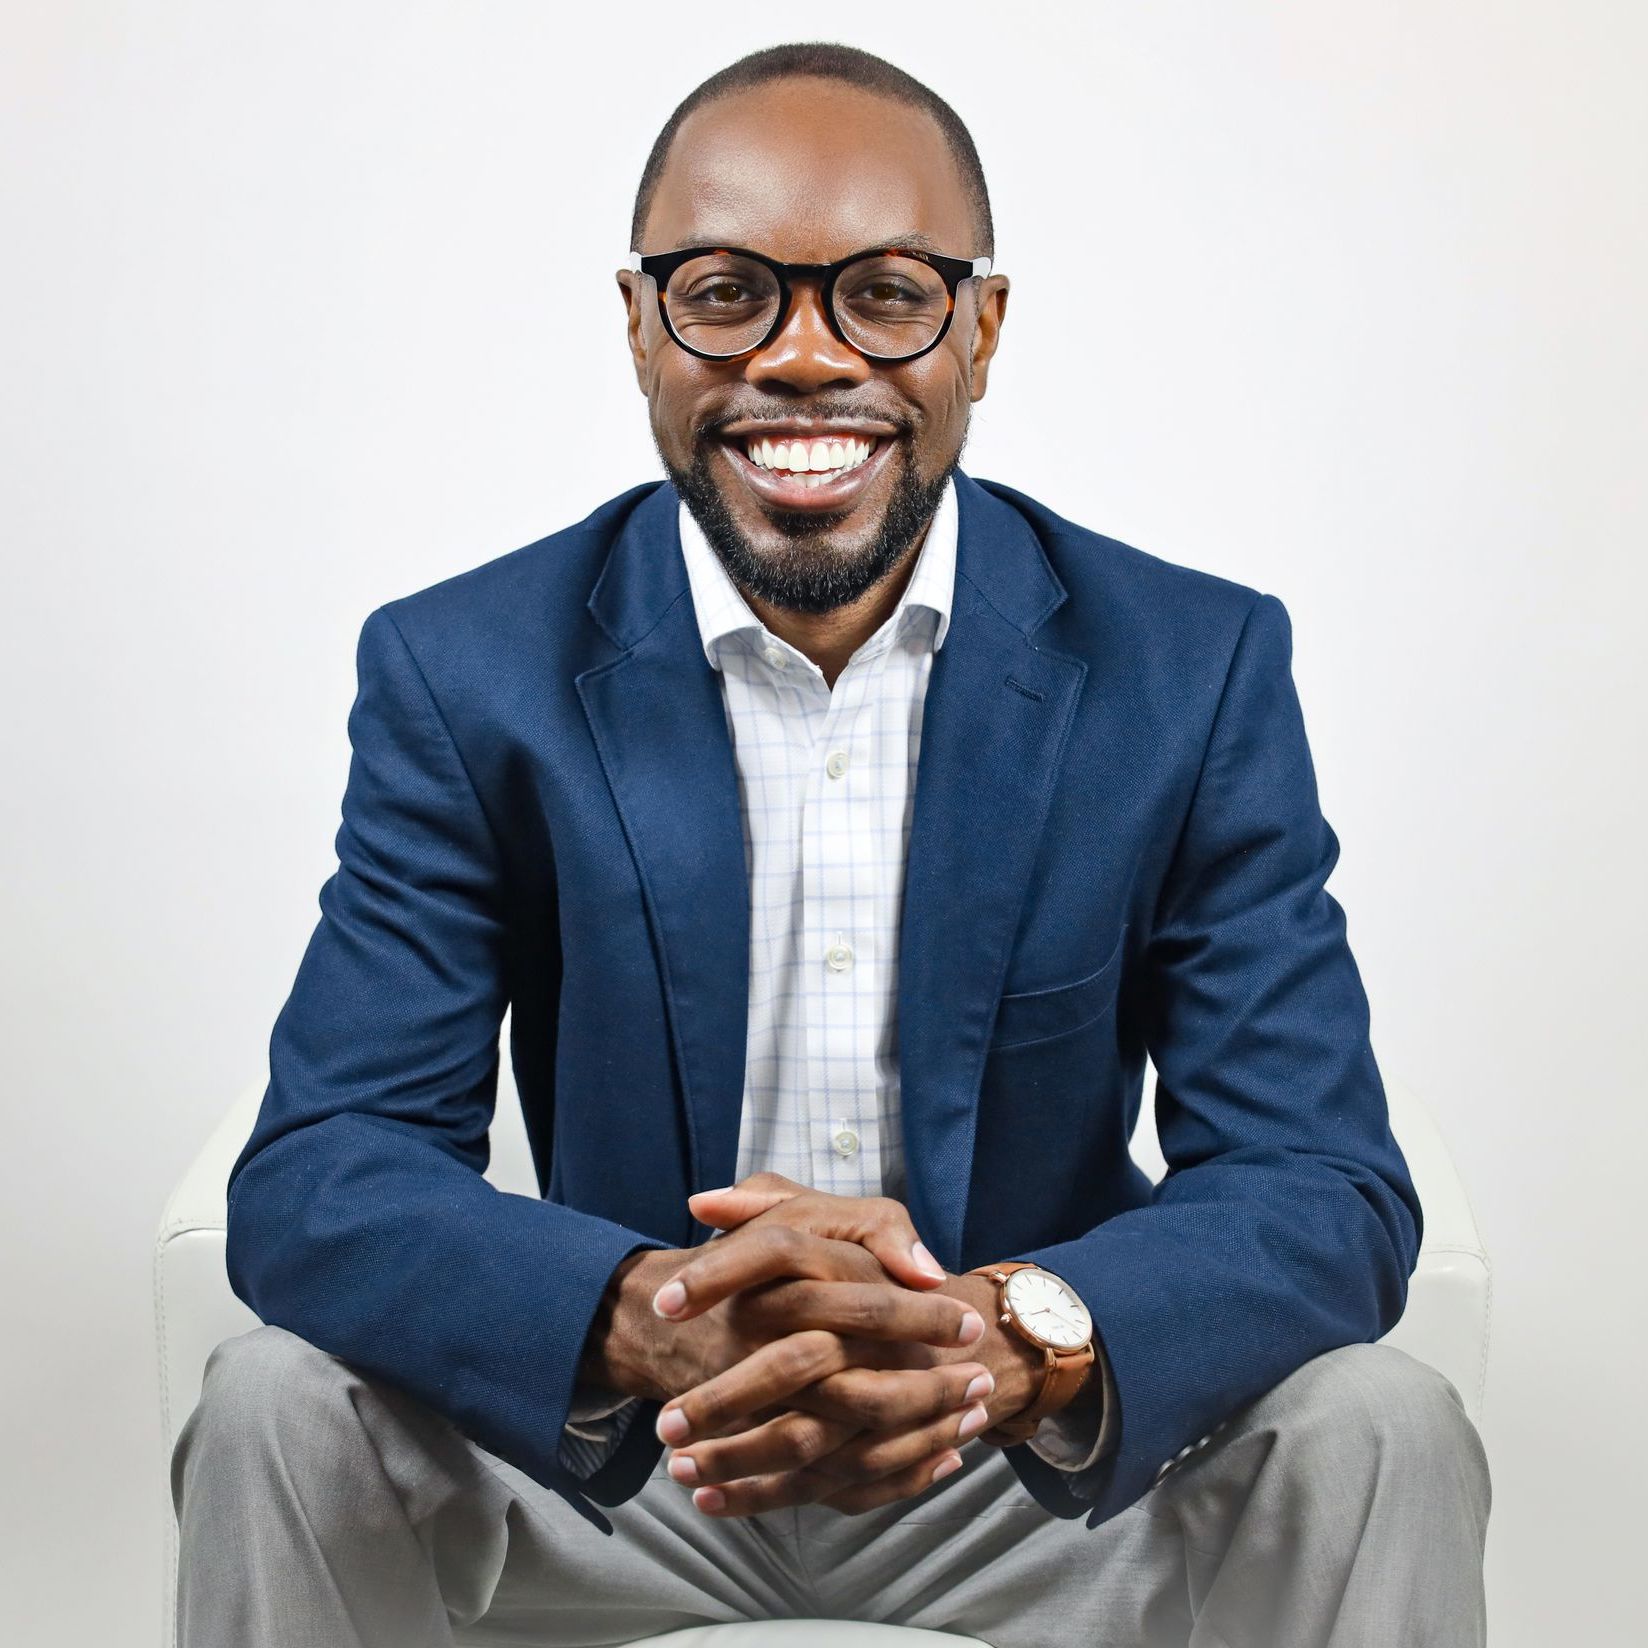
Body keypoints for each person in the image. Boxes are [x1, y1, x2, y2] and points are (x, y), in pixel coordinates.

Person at [172, 39, 1491, 1648]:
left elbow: (1324, 1180)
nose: (805, 360)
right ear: (643, 325)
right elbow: (325, 1171)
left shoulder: (1188, 669)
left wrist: (1010, 1334)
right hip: (628, 1469)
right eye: (728, 293)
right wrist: (645, 1316)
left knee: (1384, 1425)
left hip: (1027, 1471)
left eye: (883, 292)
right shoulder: (467, 672)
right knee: (271, 1405)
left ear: (981, 329)